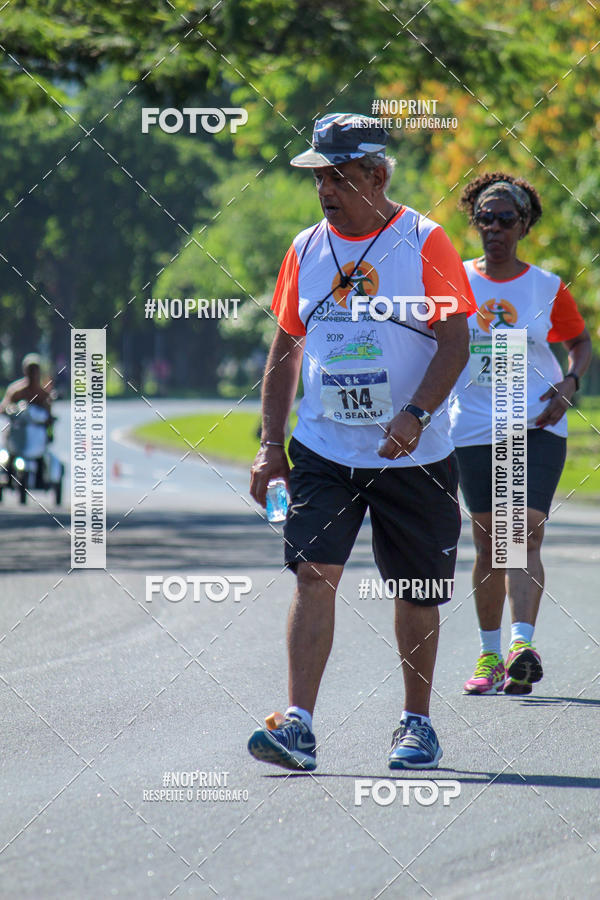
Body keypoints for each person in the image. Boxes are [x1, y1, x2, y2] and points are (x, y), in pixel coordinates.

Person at [247, 112, 476, 771]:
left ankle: (417, 724)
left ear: (377, 176)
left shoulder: (425, 242)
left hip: (415, 454)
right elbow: (285, 349)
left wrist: (416, 413)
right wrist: (270, 445)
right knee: (313, 572)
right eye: (319, 177)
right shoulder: (306, 248)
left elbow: (455, 341)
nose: (325, 189)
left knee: (416, 588)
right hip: (324, 449)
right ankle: (298, 725)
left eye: (339, 177)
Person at [449, 173, 592, 696]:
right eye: (485, 218)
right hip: (474, 426)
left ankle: (520, 647)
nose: (494, 227)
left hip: (535, 422)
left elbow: (580, 343)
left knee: (524, 531)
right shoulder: (455, 282)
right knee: (490, 543)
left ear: (524, 224)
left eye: (505, 219)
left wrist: (569, 385)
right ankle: (489, 656)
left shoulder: (546, 287)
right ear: (475, 223)